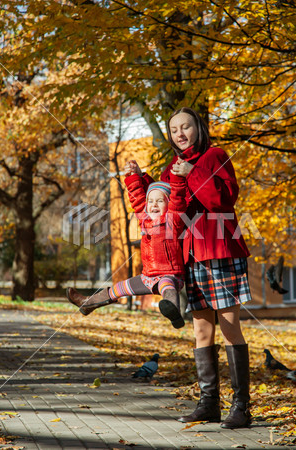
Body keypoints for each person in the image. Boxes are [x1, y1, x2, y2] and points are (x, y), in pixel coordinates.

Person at [129, 107, 252, 429]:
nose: (180, 133)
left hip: (220, 250)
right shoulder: (174, 165)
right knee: (200, 330)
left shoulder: (215, 155)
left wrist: (190, 174)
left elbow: (224, 201)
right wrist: (140, 178)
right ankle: (209, 403)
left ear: (198, 127)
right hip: (189, 256)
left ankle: (241, 407)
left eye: (186, 127)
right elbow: (166, 200)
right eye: (174, 129)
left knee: (229, 326)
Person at [66, 170, 187, 329]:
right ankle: (88, 304)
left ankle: (174, 312)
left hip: (169, 275)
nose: (154, 205)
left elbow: (178, 199)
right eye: (150, 201)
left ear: (169, 203)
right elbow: (137, 200)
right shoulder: (145, 220)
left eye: (159, 201)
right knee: (118, 288)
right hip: (147, 277)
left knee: (167, 287)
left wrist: (178, 177)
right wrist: (132, 177)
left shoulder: (173, 220)